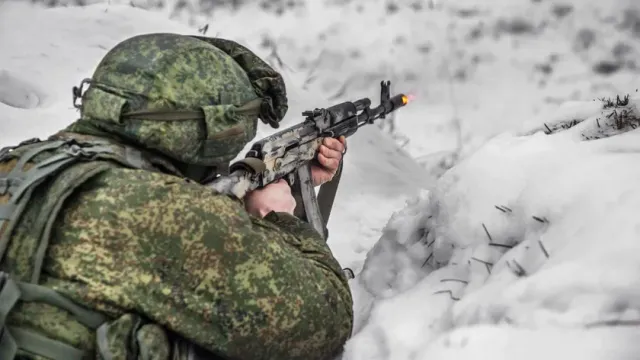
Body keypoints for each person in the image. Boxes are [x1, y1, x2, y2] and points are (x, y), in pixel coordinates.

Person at [0, 33, 353, 360]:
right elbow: (326, 318)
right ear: (209, 131)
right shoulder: (168, 213)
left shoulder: (18, 165)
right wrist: (280, 217)